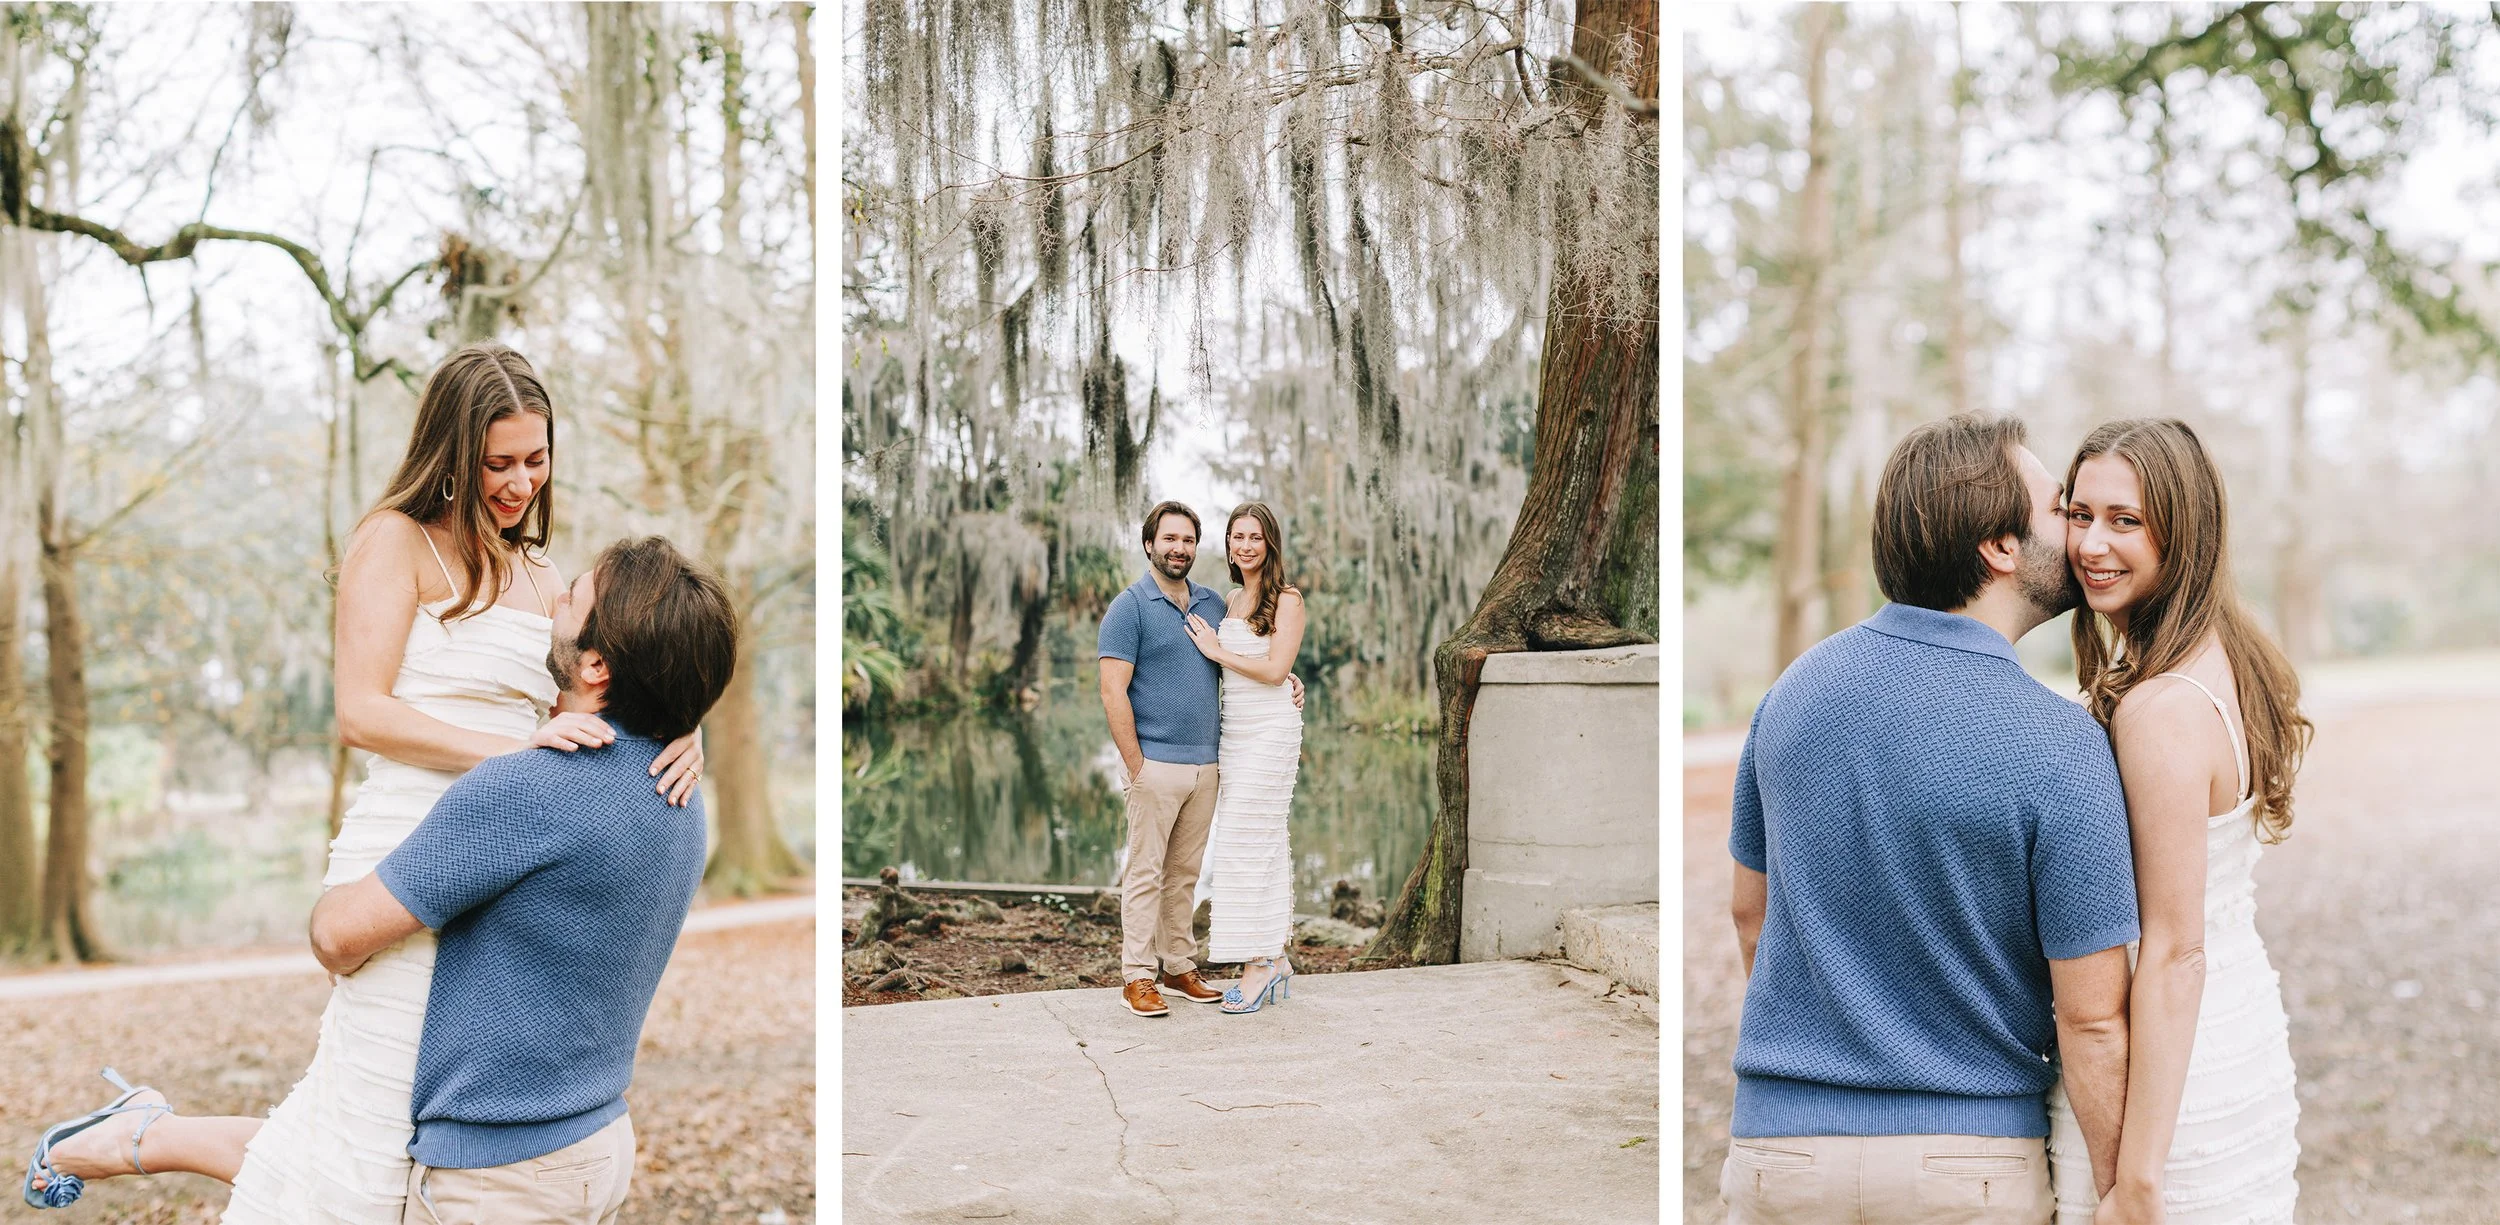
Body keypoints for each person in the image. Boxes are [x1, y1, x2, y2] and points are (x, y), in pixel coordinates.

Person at [20, 346, 702, 1221]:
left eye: (536, 458)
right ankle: (143, 1135)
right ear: (452, 452)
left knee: (375, 1143)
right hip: (409, 846)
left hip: (506, 866)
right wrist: (513, 755)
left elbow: (610, 672)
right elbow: (361, 712)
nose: (520, 482)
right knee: (371, 1141)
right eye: (497, 462)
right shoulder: (396, 541)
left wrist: (683, 725)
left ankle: (141, 1133)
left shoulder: (542, 574)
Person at [1722, 413, 2138, 1223]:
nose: (2081, 533)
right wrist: (2121, 1191)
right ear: (2001, 546)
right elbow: (2091, 1017)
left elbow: (1749, 914)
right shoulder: (2061, 742)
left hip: (1781, 1154)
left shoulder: (1793, 694)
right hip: (1965, 1164)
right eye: (2061, 508)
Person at [2045, 418, 2308, 1224]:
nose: (2091, 543)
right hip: (2232, 1025)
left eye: (2125, 520)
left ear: (2183, 533)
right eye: (2079, 513)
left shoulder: (2160, 710)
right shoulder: (2227, 655)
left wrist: (2139, 1177)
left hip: (2169, 1083)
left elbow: (2174, 948)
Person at [1096, 501, 1299, 1018]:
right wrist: (1136, 764)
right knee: (1145, 872)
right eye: (1169, 539)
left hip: (1210, 764)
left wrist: (1289, 680)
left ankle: (1178, 965)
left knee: (1184, 874)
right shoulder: (1128, 607)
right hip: (1155, 763)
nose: (1179, 548)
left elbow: (1253, 658)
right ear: (1149, 544)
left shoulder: (1213, 603)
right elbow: (1112, 692)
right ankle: (1138, 976)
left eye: (1187, 540)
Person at [1180, 502, 1307, 1015]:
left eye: (1256, 537)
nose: (1246, 545)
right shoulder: (1232, 600)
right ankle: (1274, 958)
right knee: (1255, 842)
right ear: (1229, 545)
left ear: (1269, 544)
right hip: (1234, 733)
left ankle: (1257, 964)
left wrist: (1219, 652)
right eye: (1238, 536)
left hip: (1271, 731)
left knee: (1248, 842)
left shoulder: (1288, 599)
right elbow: (1249, 667)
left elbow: (1275, 671)